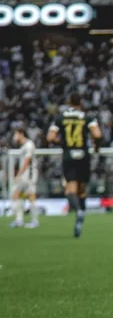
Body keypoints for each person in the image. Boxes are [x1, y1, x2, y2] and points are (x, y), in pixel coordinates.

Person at [46, 93, 103, 238]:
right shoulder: (87, 117)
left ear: (69, 102)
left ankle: (78, 211)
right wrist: (96, 147)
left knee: (70, 189)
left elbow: (50, 137)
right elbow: (97, 135)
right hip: (84, 155)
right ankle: (81, 220)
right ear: (80, 103)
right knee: (82, 191)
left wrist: (62, 144)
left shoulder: (60, 118)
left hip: (68, 156)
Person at [9, 127, 39, 229]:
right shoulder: (24, 146)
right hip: (27, 175)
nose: (15, 136)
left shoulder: (29, 145)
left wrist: (19, 174)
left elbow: (27, 161)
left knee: (19, 195)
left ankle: (24, 220)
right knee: (24, 195)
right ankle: (24, 220)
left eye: (16, 134)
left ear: (21, 133)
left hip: (28, 175)